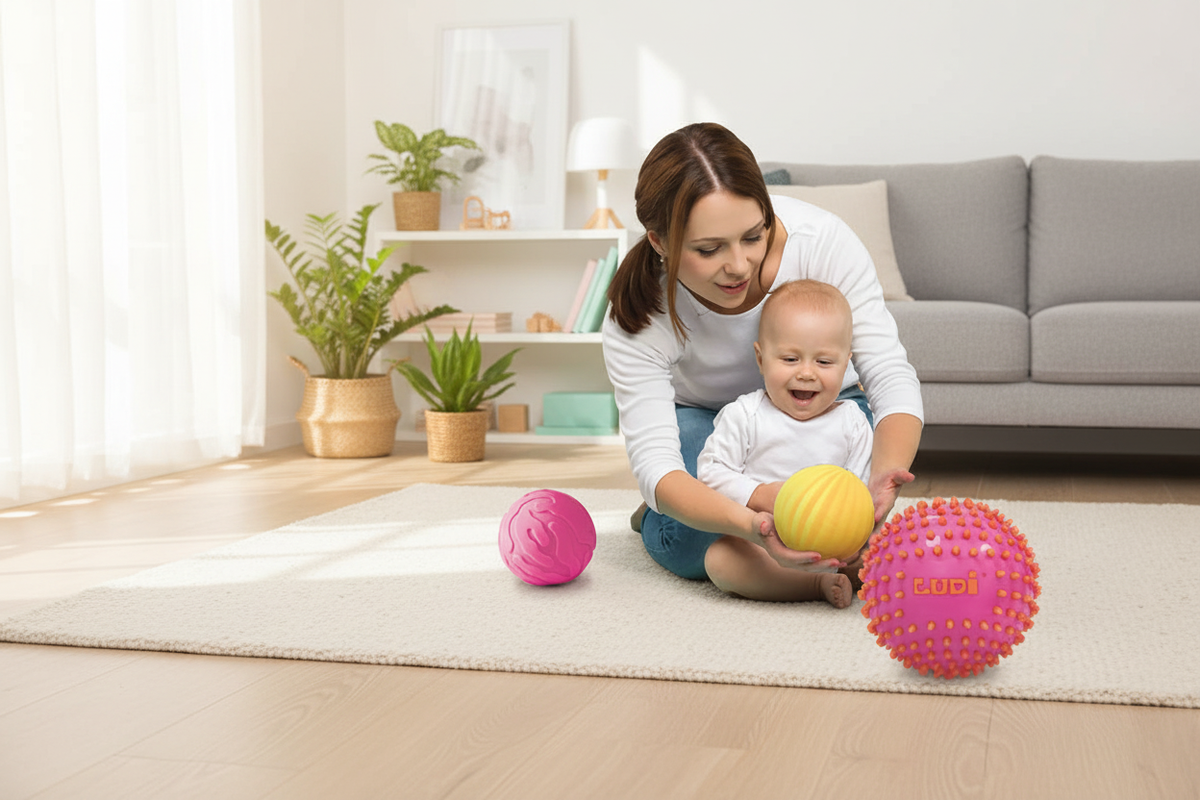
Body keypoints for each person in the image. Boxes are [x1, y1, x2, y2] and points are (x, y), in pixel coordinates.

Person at [601, 122, 924, 603]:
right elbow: (656, 463)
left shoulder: (823, 242)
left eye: (754, 236)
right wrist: (751, 524)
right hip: (706, 421)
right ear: (659, 242)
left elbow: (889, 373)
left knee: (849, 536)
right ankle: (657, 520)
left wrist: (882, 475)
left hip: (825, 408)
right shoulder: (640, 312)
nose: (738, 266)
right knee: (699, 543)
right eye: (709, 249)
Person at [695, 279, 872, 607]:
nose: (806, 373)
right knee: (720, 561)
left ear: (846, 364)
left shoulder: (852, 421)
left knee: (883, 555)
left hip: (832, 546)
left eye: (823, 362)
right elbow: (710, 472)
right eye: (790, 359)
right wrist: (760, 495)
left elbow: (862, 488)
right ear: (761, 359)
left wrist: (855, 537)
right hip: (762, 542)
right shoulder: (746, 414)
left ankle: (832, 573)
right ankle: (812, 587)